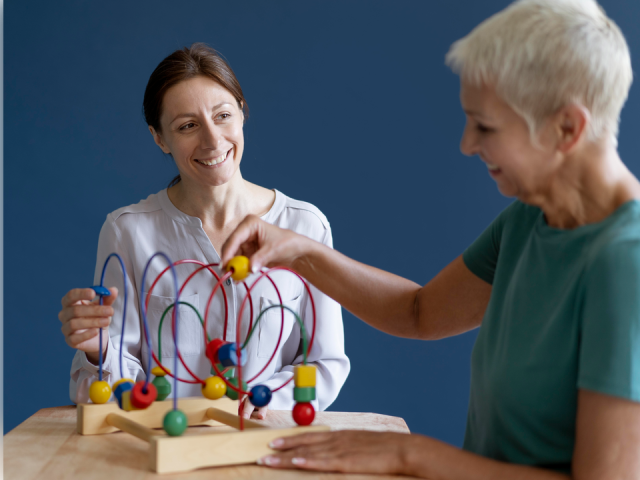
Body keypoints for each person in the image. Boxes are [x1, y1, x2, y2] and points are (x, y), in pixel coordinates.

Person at [220, 0, 640, 477]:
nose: (466, 143)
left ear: (567, 127)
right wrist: (296, 249)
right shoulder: (529, 220)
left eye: (485, 125)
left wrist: (409, 454)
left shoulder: (627, 263)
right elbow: (419, 312)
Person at [58, 43, 349, 419]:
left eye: (223, 115)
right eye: (187, 126)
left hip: (267, 454)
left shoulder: (304, 226)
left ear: (242, 114)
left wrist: (261, 401)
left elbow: (325, 364)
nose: (212, 141)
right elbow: (106, 391)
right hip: (161, 459)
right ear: (159, 137)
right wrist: (96, 350)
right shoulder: (127, 231)